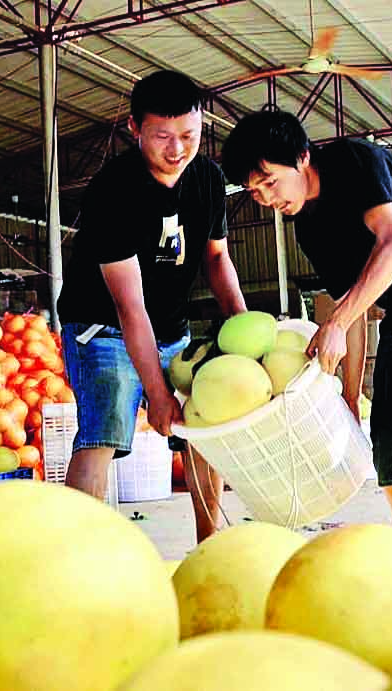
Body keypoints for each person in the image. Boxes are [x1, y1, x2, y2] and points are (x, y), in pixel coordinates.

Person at [221, 107, 392, 529]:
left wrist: (336, 323)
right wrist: (349, 395)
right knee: (386, 442)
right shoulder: (308, 228)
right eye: (255, 192)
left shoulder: (352, 161)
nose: (268, 199)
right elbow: (351, 307)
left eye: (270, 182)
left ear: (302, 158)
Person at [55, 70, 246, 543]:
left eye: (189, 135)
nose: (178, 149)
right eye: (163, 136)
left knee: (202, 427)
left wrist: (244, 328)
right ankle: (73, 557)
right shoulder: (113, 190)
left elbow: (217, 258)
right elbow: (129, 308)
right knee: (103, 432)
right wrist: (157, 394)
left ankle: (210, 547)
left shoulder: (209, 178)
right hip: (102, 326)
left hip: (172, 326)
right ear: (134, 128)